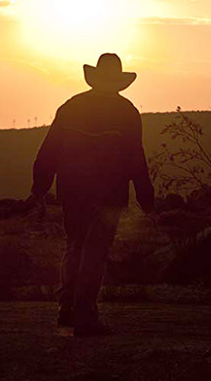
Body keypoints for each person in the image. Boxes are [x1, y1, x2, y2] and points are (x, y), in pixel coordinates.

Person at [30, 52, 155, 336]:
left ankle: (68, 309)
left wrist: (40, 187)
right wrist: (146, 196)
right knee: (95, 251)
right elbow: (136, 157)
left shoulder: (72, 107)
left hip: (72, 189)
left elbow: (49, 150)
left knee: (74, 246)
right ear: (119, 82)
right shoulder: (127, 112)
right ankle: (85, 313)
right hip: (109, 192)